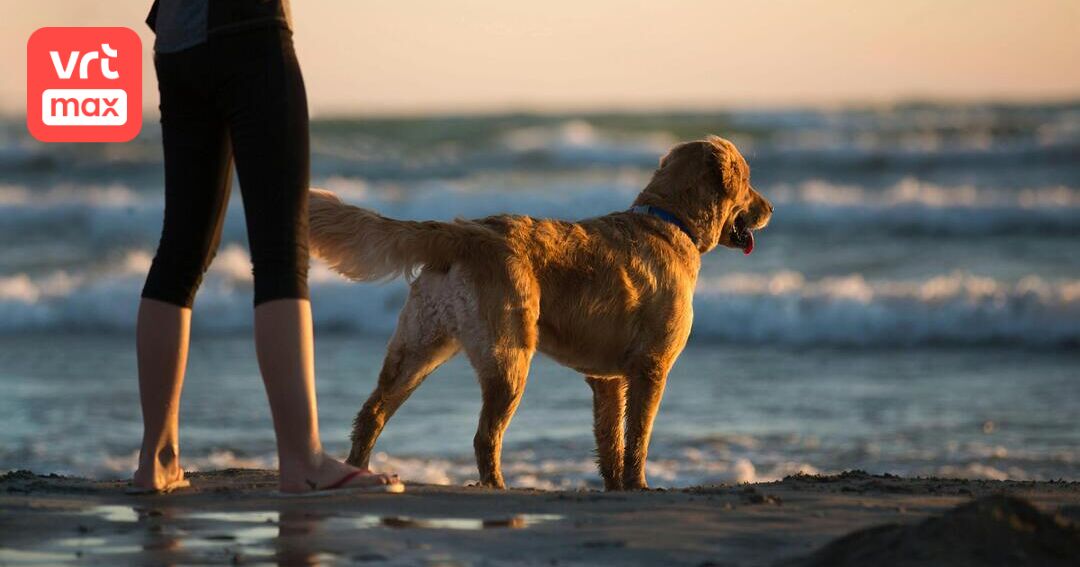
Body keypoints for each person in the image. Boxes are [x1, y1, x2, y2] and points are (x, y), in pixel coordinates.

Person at [131, 0, 401, 494]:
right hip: (251, 26)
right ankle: (302, 460)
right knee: (280, 252)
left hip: (177, 40)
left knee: (180, 251)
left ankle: (157, 457)